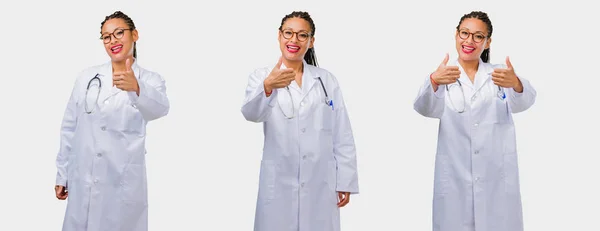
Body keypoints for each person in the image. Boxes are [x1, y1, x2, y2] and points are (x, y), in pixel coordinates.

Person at [413, 11, 536, 231]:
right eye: (465, 33)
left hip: (496, 182)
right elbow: (424, 108)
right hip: (455, 183)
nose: (469, 41)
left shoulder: (499, 75)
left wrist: (516, 82)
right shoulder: (444, 76)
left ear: (487, 42)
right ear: (456, 35)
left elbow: (525, 101)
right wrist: (433, 80)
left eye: (478, 36)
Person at [241, 11, 359, 231]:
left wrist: (345, 180)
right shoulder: (263, 76)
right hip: (279, 182)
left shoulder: (326, 80)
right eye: (288, 33)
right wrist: (267, 87)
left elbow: (341, 132)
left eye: (302, 35)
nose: (294, 40)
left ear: (311, 41)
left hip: (320, 181)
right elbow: (251, 114)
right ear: (279, 36)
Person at [53, 11, 169, 231]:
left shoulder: (150, 80)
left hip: (121, 182)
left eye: (119, 33)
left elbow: (161, 109)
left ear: (134, 35)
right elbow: (70, 126)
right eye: (106, 37)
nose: (112, 41)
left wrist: (136, 88)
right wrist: (63, 173)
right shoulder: (86, 78)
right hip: (82, 178)